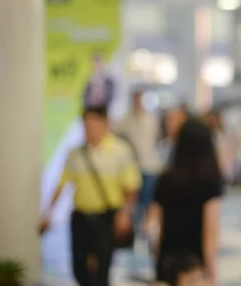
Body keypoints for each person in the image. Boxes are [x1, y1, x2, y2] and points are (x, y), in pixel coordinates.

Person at [41, 106, 141, 286]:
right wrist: (48, 213)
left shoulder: (120, 151)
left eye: (94, 123)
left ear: (105, 123)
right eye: (87, 124)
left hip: (106, 217)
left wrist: (125, 214)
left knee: (102, 269)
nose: (90, 128)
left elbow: (131, 187)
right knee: (79, 267)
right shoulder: (75, 153)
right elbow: (62, 184)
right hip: (80, 217)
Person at [145, 118, 224, 285]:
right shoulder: (210, 182)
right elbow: (210, 232)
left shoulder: (166, 179)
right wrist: (211, 273)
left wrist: (158, 259)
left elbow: (152, 225)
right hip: (194, 267)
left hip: (168, 262)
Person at [117, 90, 162, 227]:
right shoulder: (125, 121)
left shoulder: (151, 119)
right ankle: (135, 229)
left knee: (148, 202)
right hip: (132, 168)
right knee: (134, 202)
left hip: (149, 166)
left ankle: (146, 228)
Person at [204, 109, 236, 183]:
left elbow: (228, 154)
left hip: (223, 171)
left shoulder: (224, 136)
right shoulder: (206, 136)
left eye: (213, 119)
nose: (212, 122)